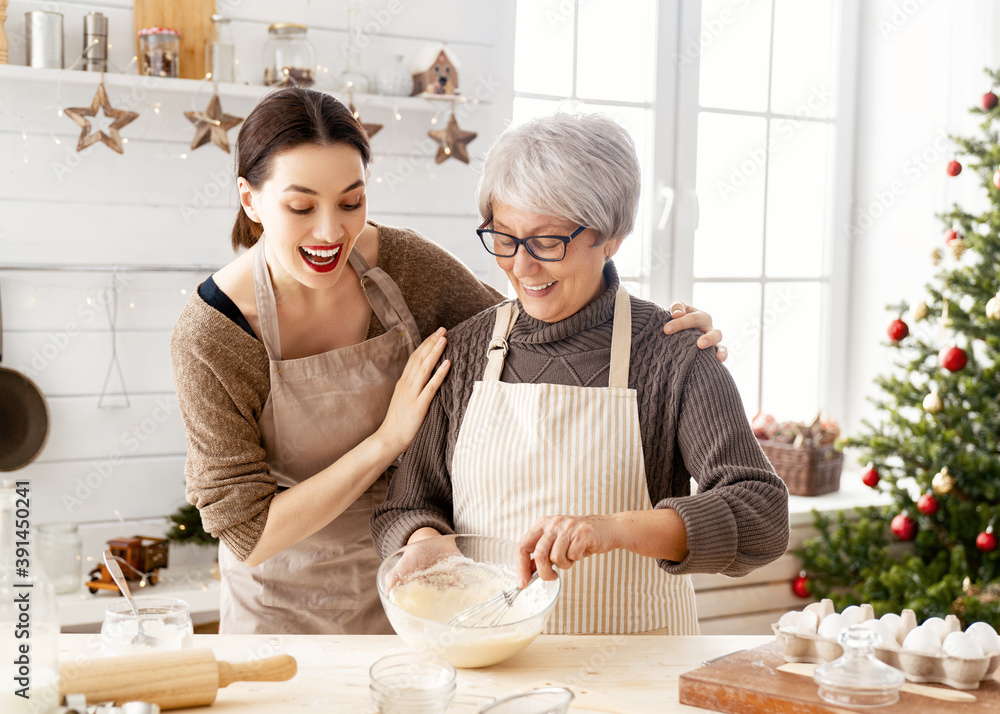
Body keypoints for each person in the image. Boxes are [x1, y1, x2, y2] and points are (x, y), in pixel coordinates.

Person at [170, 88, 728, 635]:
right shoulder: (214, 336)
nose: (330, 231)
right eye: (300, 207)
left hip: (427, 599)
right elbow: (249, 532)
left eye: (351, 201)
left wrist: (670, 343)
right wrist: (389, 439)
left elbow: (529, 324)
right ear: (250, 200)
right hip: (284, 605)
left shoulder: (405, 267)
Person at [371, 112, 790, 636]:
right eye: (504, 237)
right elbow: (408, 505)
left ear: (611, 234)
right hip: (494, 667)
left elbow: (762, 516)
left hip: (634, 675)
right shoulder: (466, 352)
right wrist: (423, 542)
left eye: (547, 242)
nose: (521, 268)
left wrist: (612, 529)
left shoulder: (674, 355)